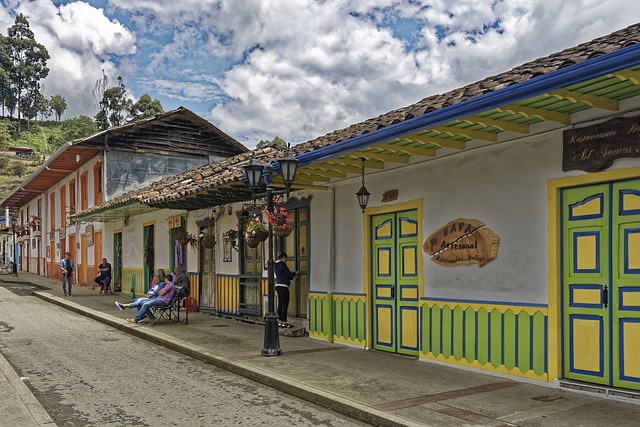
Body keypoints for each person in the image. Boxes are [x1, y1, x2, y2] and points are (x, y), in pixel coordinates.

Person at [274, 252, 297, 328]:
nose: (286, 260)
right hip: (283, 286)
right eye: (285, 258)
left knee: (280, 304)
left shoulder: (276, 265)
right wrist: (295, 274)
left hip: (278, 285)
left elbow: (283, 274)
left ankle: (280, 321)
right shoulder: (282, 265)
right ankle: (284, 322)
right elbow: (288, 274)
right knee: (285, 305)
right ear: (283, 257)